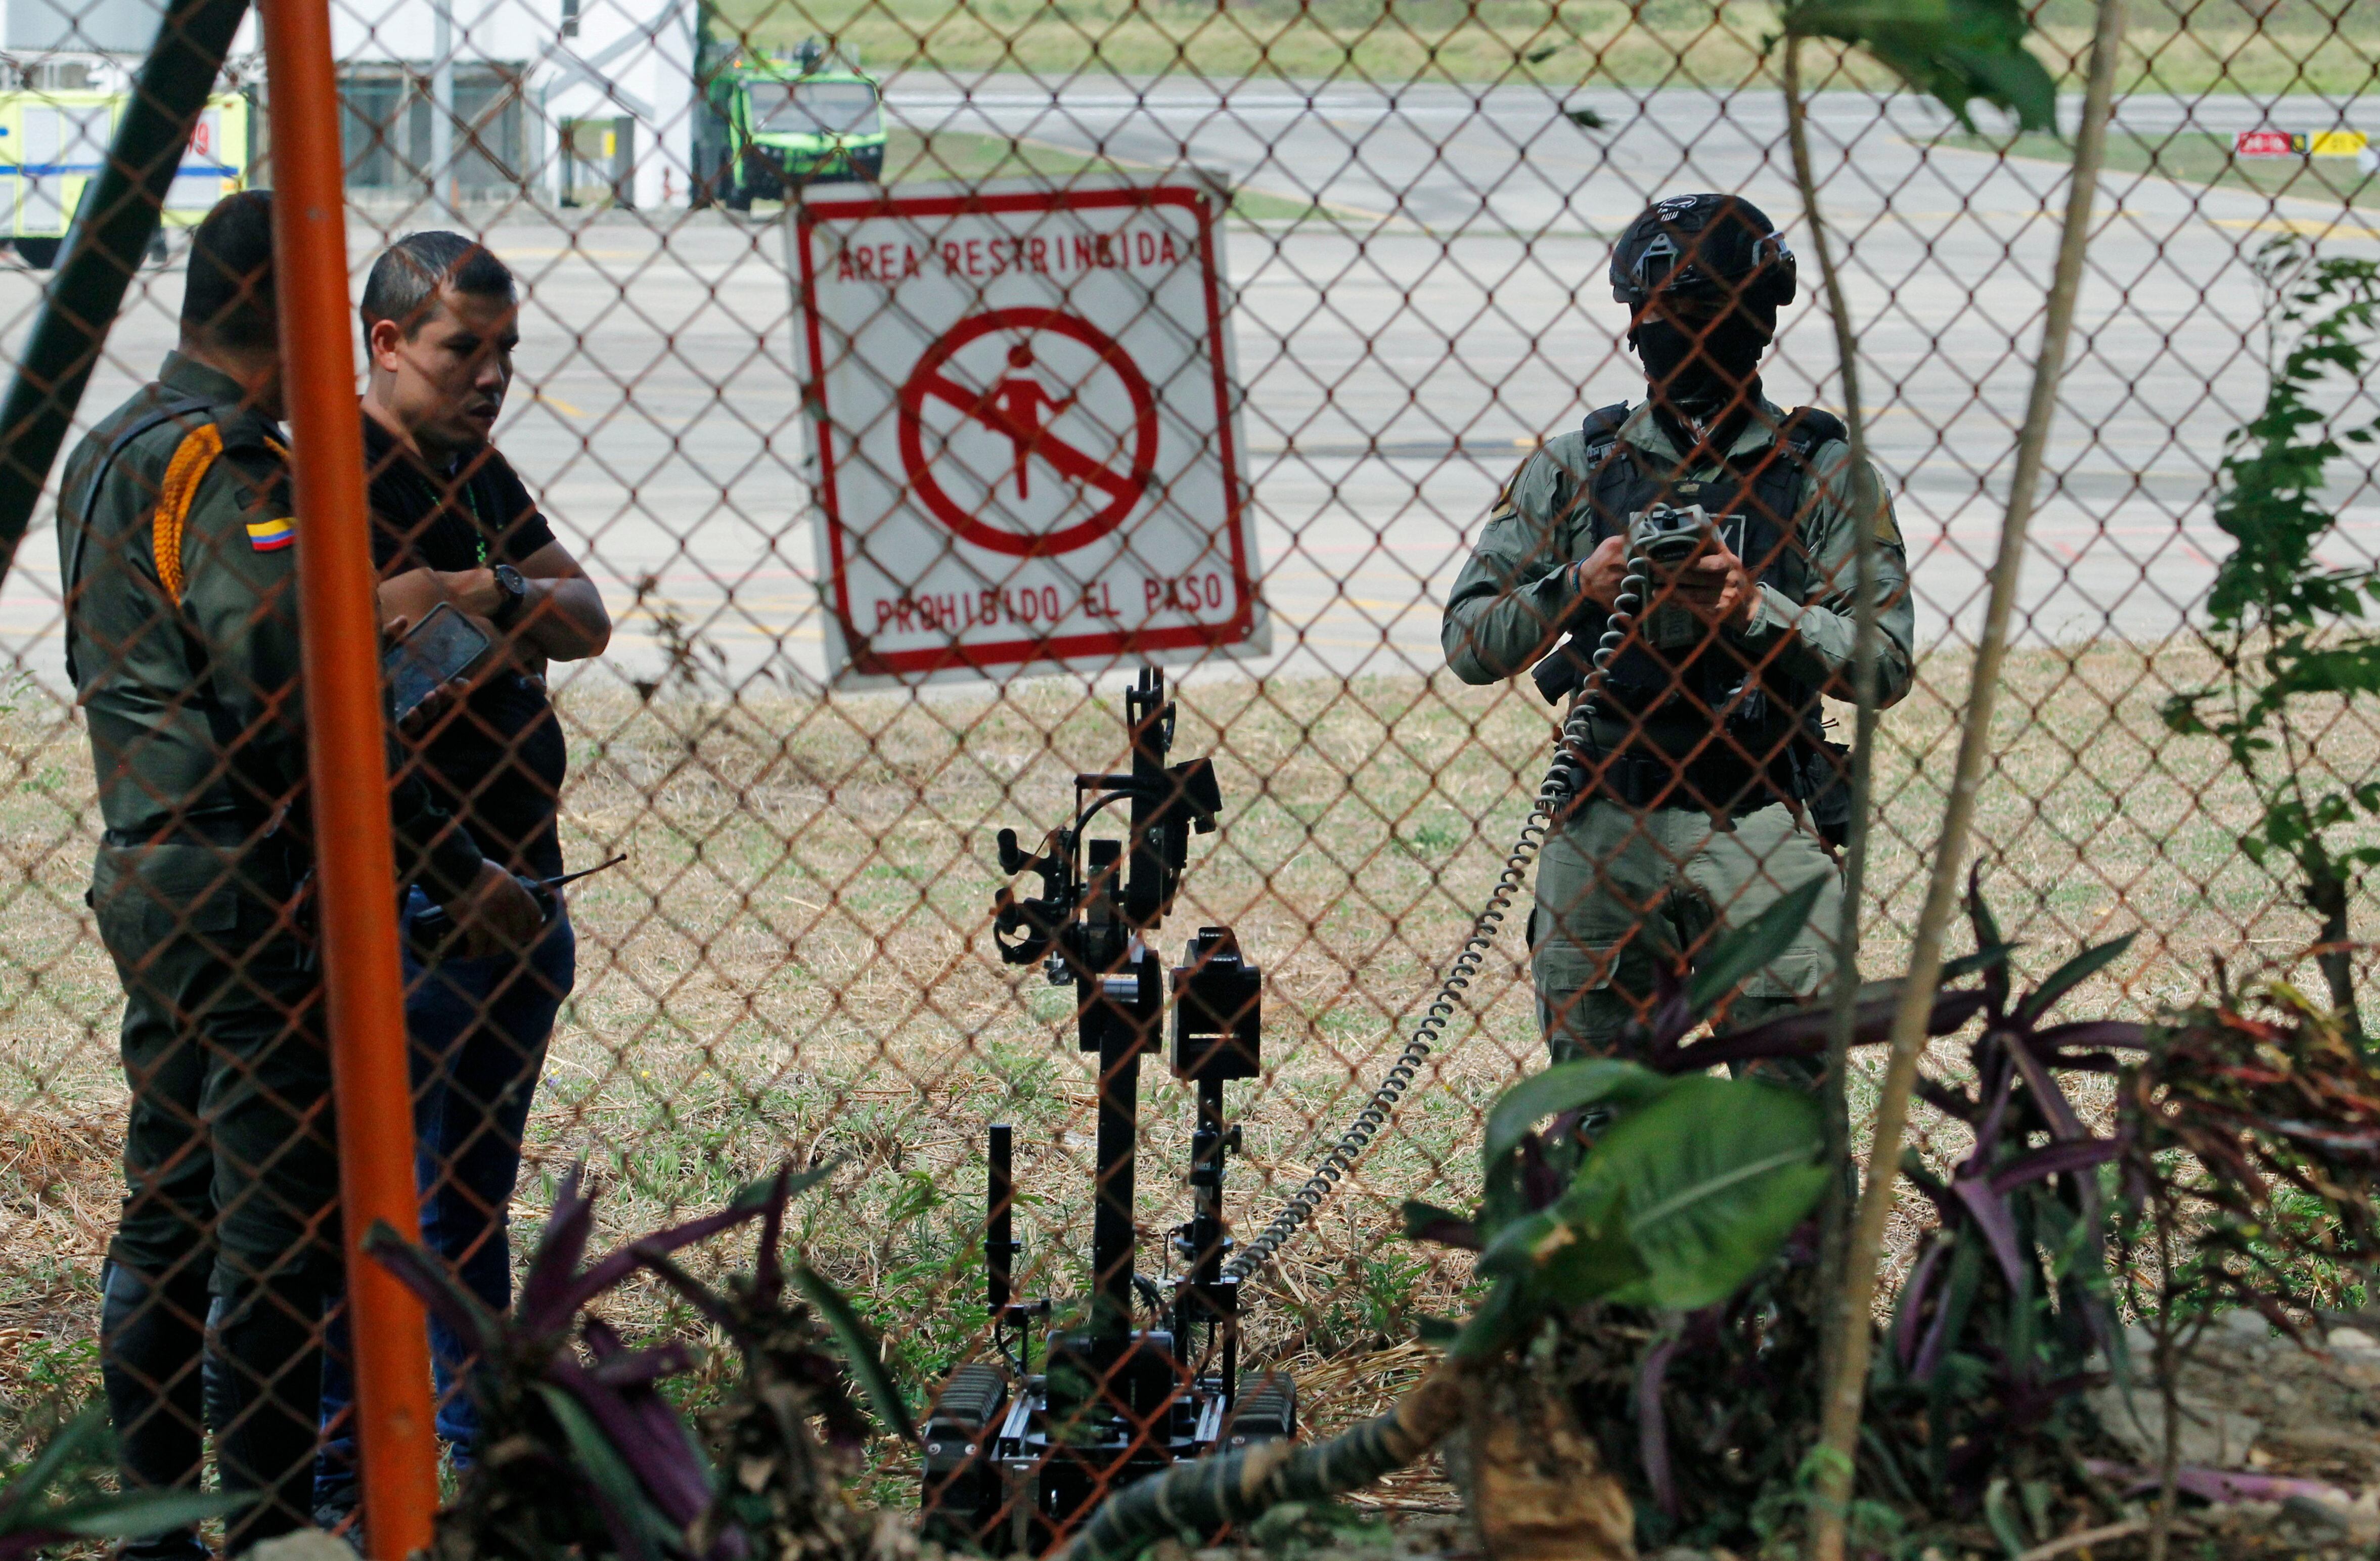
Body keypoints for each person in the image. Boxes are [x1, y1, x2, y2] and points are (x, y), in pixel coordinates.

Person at [58, 192, 541, 1555]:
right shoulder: (232, 471)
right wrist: (455, 864)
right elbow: (300, 710)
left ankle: (157, 1529)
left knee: (166, 1209)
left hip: (153, 873)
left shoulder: (109, 449)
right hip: (251, 890)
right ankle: (268, 1526)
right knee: (271, 1240)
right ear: (286, 310)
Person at [1441, 192, 1917, 1063]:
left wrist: (1752, 609)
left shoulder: (1822, 473)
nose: (1665, 333)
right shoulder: (1577, 468)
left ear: (1754, 320)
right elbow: (1469, 642)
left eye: (1694, 313)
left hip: (1764, 808)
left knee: (1790, 1117)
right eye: (1645, 315)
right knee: (1595, 1109)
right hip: (1607, 814)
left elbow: (1883, 664)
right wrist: (1579, 587)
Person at [313, 231, 611, 1522]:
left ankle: (478, 1468)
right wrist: (487, 604)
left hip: (523, 893)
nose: (489, 376)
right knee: (388, 1214)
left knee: (469, 1205)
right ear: (386, 343)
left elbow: (586, 617)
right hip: (413, 899)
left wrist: (465, 586)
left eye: (503, 352)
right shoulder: (331, 473)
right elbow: (355, 636)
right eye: (459, 349)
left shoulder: (479, 476)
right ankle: (350, 1491)